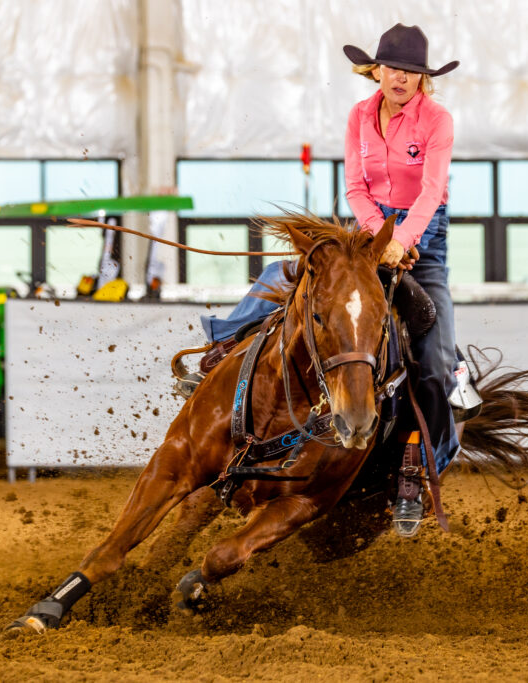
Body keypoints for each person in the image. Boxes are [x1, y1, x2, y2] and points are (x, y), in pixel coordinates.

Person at [192, 24, 461, 535]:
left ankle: (419, 469)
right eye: (392, 68)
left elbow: (431, 190)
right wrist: (374, 238)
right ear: (376, 70)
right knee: (284, 275)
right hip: (365, 230)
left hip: (423, 238)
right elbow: (355, 188)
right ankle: (220, 347)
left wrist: (402, 241)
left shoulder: (437, 121)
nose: (400, 78)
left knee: (433, 358)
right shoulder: (360, 115)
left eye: (410, 72)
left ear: (422, 78)